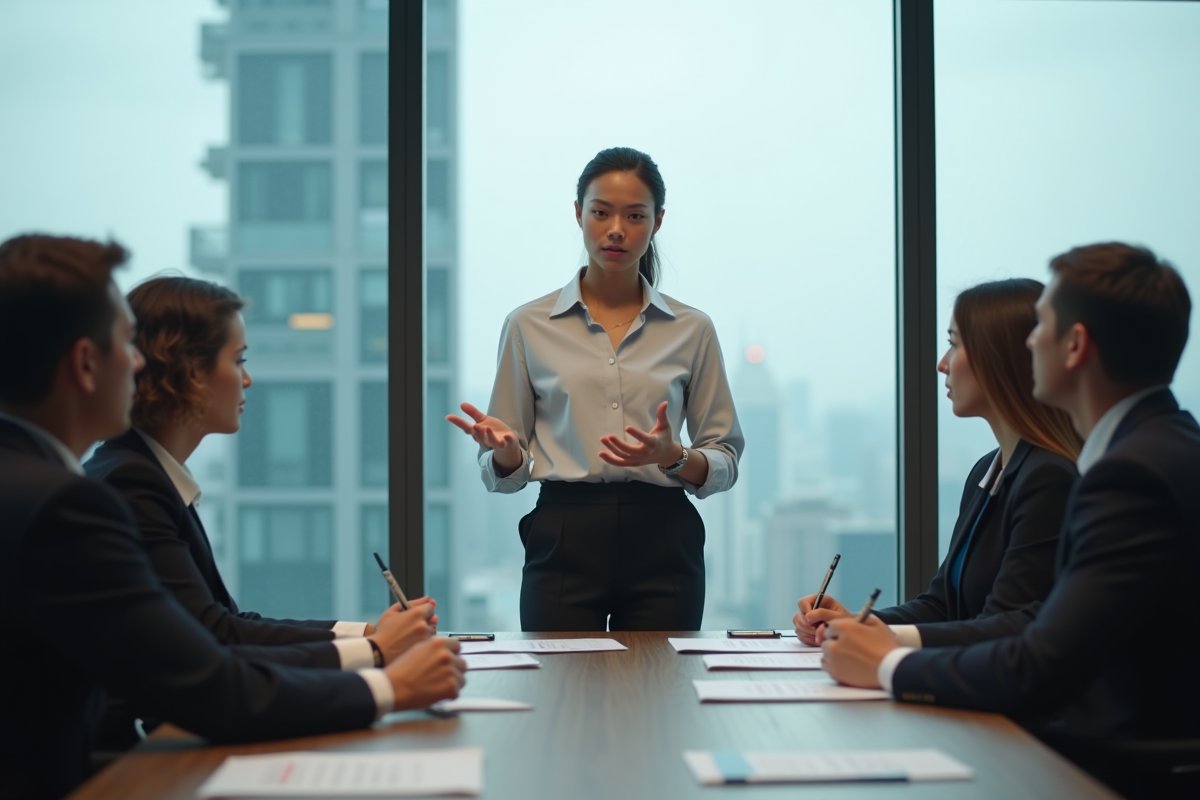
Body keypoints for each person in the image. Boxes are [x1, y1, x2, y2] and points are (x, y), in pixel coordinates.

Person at [0, 234, 466, 800]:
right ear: (85, 363)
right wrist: (387, 679)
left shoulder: (54, 483)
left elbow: (212, 632)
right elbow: (210, 675)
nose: (140, 363)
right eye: (126, 344)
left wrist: (370, 642)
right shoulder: (79, 499)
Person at [819, 242, 1199, 793]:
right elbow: (1017, 625)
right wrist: (871, 633)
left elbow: (1038, 662)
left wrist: (887, 664)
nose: (1028, 342)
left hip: (1108, 768)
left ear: (1075, 345)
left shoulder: (1129, 475)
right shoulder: (1160, 447)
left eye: (1040, 326)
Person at [83, 276, 439, 751]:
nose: (247, 379)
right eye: (238, 360)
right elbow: (216, 637)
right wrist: (374, 653)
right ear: (189, 371)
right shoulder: (133, 482)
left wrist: (370, 634)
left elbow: (225, 622)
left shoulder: (143, 471)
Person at [446, 147, 744, 631]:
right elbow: (505, 471)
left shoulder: (693, 329)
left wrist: (673, 456)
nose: (616, 230)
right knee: (559, 678)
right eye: (601, 212)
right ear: (578, 213)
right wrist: (505, 453)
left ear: (658, 221)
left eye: (635, 216)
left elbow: (725, 459)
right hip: (565, 532)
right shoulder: (528, 325)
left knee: (660, 678)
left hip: (665, 536)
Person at [794, 279, 1080, 648]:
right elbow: (942, 605)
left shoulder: (1049, 478)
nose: (942, 364)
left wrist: (882, 639)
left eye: (954, 344)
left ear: (1001, 358)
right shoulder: (987, 470)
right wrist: (854, 622)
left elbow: (1010, 626)